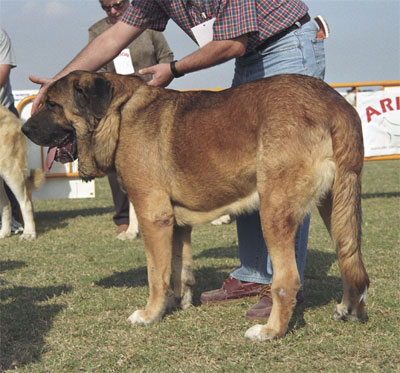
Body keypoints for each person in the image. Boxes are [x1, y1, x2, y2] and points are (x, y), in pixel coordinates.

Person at [30, 0, 327, 321]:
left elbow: (232, 42)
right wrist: (54, 85)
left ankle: (282, 289)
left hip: (286, 44)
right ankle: (255, 275)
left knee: (284, 174)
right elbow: (113, 38)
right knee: (248, 167)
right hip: (249, 58)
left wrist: (174, 69)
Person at [89, 0, 174, 238]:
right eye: (107, 8)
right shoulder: (97, 31)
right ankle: (124, 219)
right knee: (118, 164)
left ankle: (161, 211)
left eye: (118, 5)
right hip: (116, 108)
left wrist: (160, 75)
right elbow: (95, 70)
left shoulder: (150, 25)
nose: (113, 11)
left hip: (153, 103)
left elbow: (166, 56)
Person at [0, 28, 22, 234]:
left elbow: (2, 74)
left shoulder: (0, 35)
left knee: (11, 174)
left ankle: (13, 219)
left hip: (3, 115)